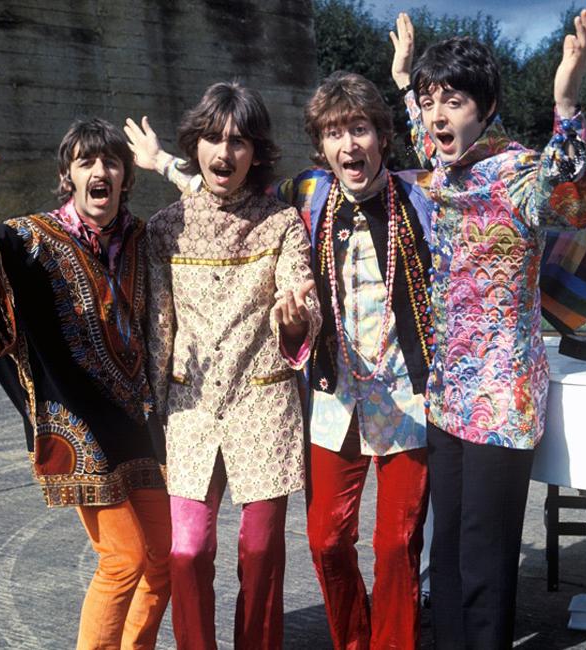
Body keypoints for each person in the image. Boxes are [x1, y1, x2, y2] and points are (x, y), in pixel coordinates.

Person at [126, 71, 435, 650]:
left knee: (360, 545)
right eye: (335, 133)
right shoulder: (284, 201)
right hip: (257, 403)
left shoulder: (390, 201)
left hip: (347, 400)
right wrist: (162, 163)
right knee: (224, 547)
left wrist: (294, 319)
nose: (349, 144)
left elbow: (300, 294)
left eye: (360, 129)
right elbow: (163, 314)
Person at [389, 9, 586, 649]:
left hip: (502, 400)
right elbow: (423, 130)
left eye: (453, 102)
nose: (437, 116)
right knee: (448, 553)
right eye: (431, 101)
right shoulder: (444, 165)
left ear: (486, 109)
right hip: (448, 395)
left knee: (484, 561)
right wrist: (406, 82)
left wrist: (566, 105)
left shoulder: (518, 174)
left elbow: (578, 200)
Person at [139, 81, 321, 650]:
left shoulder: (282, 223)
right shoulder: (165, 228)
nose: (224, 152)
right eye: (213, 139)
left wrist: (296, 319)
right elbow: (159, 327)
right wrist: (151, 410)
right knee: (187, 550)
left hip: (262, 404)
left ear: (256, 152)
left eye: (238, 141)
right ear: (195, 145)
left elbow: (301, 293)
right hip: (190, 410)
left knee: (261, 549)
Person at [0, 120, 170, 649]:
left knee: (165, 557)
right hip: (78, 427)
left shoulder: (142, 239)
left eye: (110, 161)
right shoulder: (31, 240)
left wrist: (167, 164)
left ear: (125, 177)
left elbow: (220, 204)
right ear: (68, 176)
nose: (100, 171)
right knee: (123, 559)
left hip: (138, 423)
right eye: (86, 161)